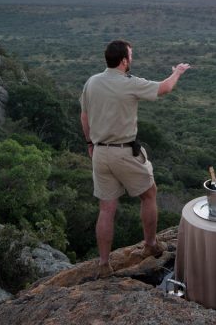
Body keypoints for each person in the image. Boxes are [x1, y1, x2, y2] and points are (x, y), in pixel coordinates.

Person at [80, 39, 191, 277]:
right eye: (130, 56)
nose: (132, 59)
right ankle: (151, 245)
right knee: (149, 194)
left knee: (106, 208)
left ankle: (103, 264)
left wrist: (90, 143)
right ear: (123, 61)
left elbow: (84, 116)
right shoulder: (128, 83)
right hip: (124, 151)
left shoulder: (92, 82)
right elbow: (165, 89)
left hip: (100, 153)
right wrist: (177, 72)